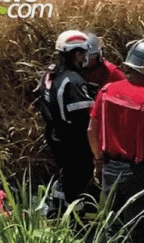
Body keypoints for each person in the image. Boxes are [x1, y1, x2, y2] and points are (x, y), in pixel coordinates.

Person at [87, 38, 144, 243]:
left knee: (112, 227)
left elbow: (91, 130)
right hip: (140, 172)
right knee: (141, 231)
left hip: (109, 168)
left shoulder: (106, 91)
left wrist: (98, 161)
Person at [36, 30, 95, 208]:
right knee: (78, 180)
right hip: (73, 140)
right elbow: (85, 116)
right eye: (84, 53)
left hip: (54, 134)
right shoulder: (73, 81)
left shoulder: (48, 74)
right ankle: (75, 220)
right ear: (76, 53)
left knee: (65, 175)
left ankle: (58, 209)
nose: (85, 57)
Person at [79, 32, 126, 99]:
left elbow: (126, 91)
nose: (85, 60)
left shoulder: (111, 72)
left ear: (99, 54)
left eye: (91, 56)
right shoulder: (72, 70)